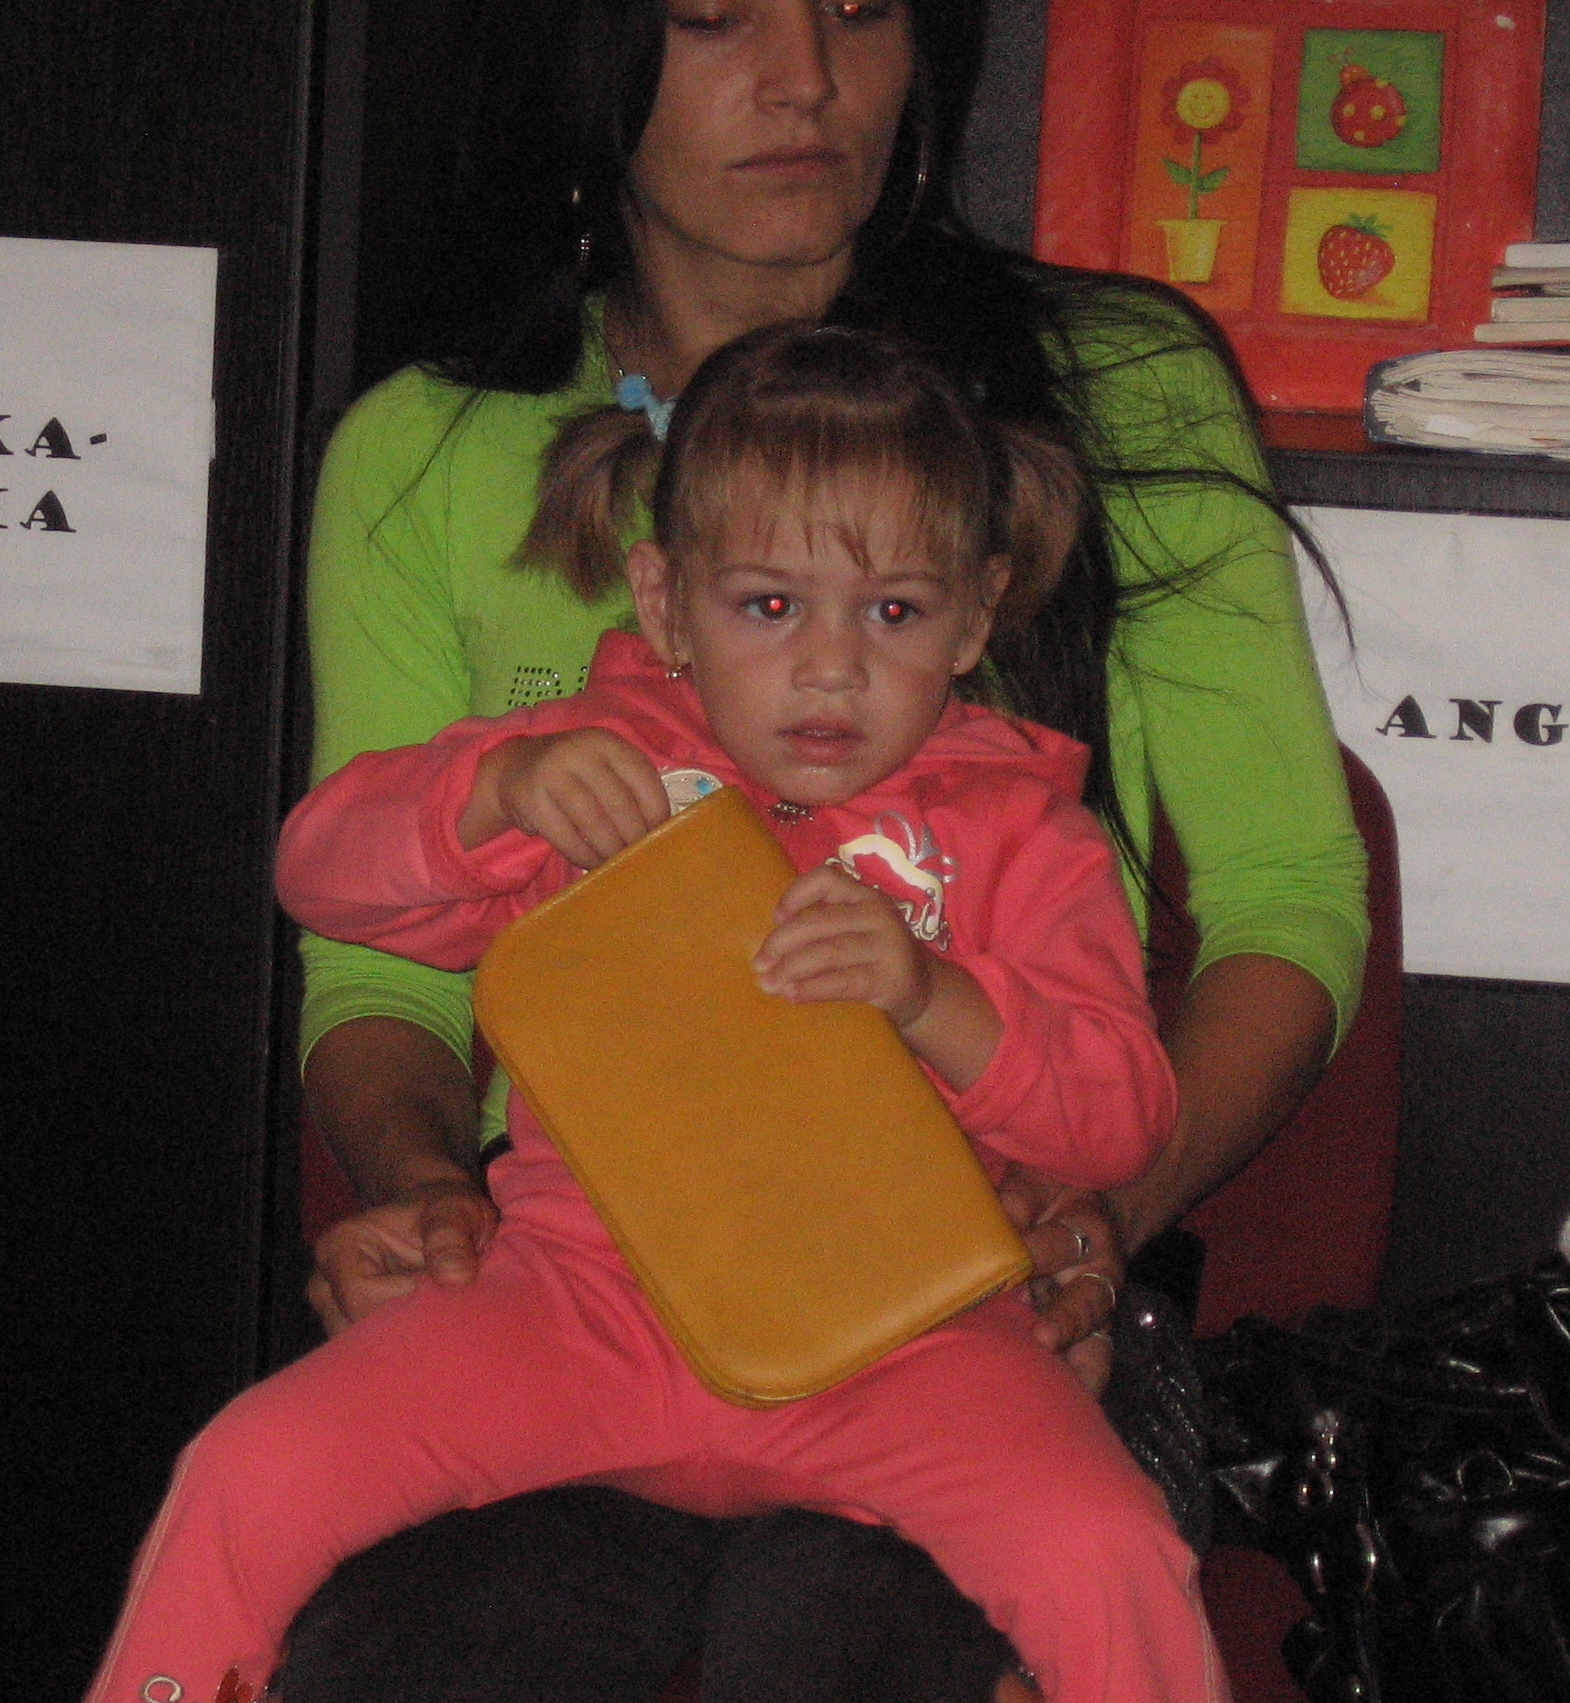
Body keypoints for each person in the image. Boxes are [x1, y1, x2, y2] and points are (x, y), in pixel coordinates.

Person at [287, 0, 1366, 1696]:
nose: (804, 78)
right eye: (717, 16)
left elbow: (1289, 907)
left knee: (845, 1648)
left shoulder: (1118, 386)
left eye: (860, 8)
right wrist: (430, 1203)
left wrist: (1096, 1213)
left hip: (984, 1300)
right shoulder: (429, 456)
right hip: (588, 1287)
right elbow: (377, 973)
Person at [92, 323, 1220, 1703]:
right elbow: (319, 874)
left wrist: (932, 998)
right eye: (768, 605)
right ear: (665, 602)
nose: (829, 668)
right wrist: (490, 795)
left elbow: (1118, 1117)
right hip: (580, 1309)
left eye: (894, 614)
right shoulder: (597, 767)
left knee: (1110, 1548)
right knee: (251, 1466)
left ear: (978, 618)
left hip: (907, 1340)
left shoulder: (1024, 835)